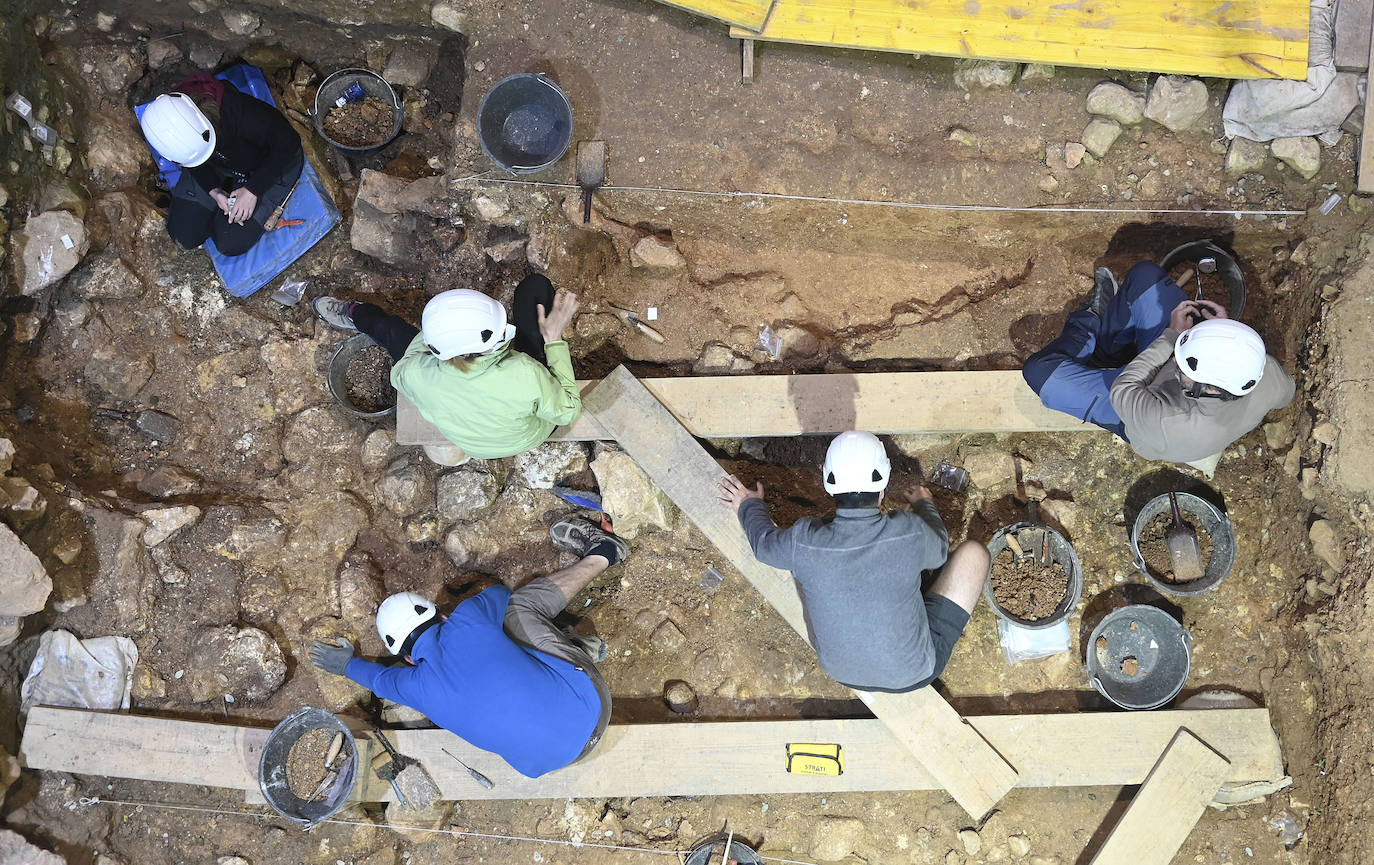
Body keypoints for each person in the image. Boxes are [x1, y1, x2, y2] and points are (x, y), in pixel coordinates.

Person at [308, 516, 628, 778]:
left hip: (558, 759)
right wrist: (469, 622)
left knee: (505, 649)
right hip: (591, 701)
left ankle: (573, 645)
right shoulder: (466, 618)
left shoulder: (414, 686)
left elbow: (378, 680)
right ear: (441, 615)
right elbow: (503, 597)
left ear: (406, 658)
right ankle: (603, 552)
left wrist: (345, 664)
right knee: (518, 612)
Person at [716, 431, 989, 693]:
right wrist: (925, 505)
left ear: (828, 483)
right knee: (975, 555)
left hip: (842, 671)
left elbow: (764, 546)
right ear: (882, 487)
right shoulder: (908, 532)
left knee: (812, 573)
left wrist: (748, 505)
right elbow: (940, 551)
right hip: (915, 672)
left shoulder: (803, 542)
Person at [1023, 261, 1295, 465]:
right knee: (1145, 277)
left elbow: (1123, 388)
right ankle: (1109, 348)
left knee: (1040, 372)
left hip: (1132, 409)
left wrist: (1170, 338)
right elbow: (1286, 393)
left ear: (1201, 386)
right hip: (1163, 389)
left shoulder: (1167, 423)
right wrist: (1222, 329)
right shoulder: (1265, 373)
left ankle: (1090, 321)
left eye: (1182, 364)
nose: (1175, 359)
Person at [311, 274, 582, 460]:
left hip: (474, 444)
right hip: (527, 436)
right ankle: (544, 327)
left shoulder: (418, 375)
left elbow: (405, 368)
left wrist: (432, 341)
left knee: (390, 332)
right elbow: (567, 412)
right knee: (535, 287)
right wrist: (553, 339)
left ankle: (355, 313)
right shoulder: (524, 372)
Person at [138, 72, 303, 256]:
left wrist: (253, 190)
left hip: (262, 163)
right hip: (218, 163)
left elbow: (289, 143)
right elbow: (192, 162)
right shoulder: (172, 122)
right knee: (183, 234)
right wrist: (214, 191)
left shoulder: (245, 117)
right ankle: (223, 189)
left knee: (229, 242)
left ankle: (248, 193)